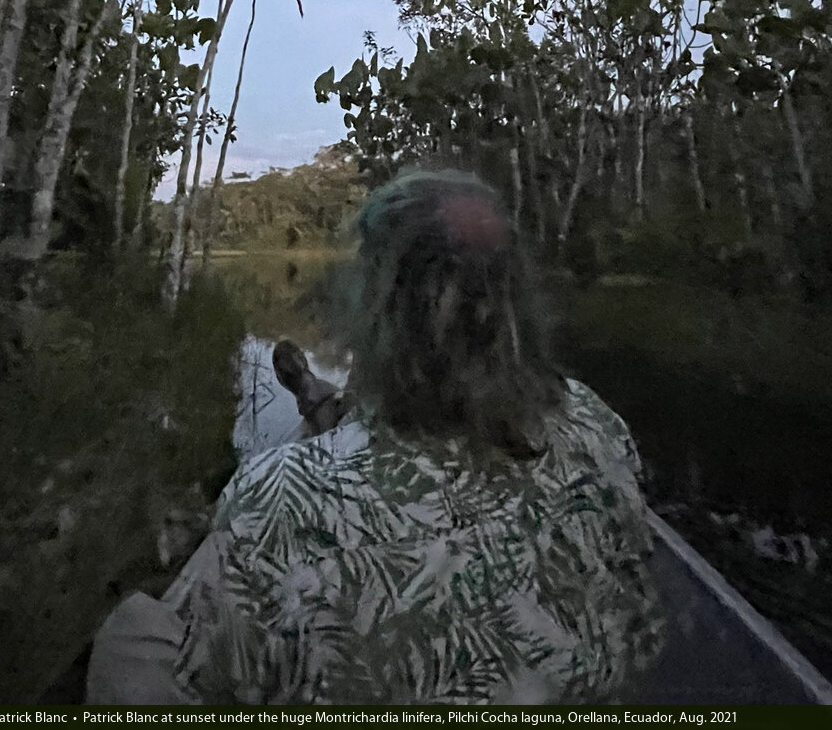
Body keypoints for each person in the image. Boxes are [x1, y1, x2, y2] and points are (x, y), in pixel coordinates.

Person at [88, 168, 665, 705]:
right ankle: (321, 402)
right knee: (341, 435)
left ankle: (318, 404)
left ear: (377, 302)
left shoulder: (281, 498)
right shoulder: (593, 417)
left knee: (130, 637)